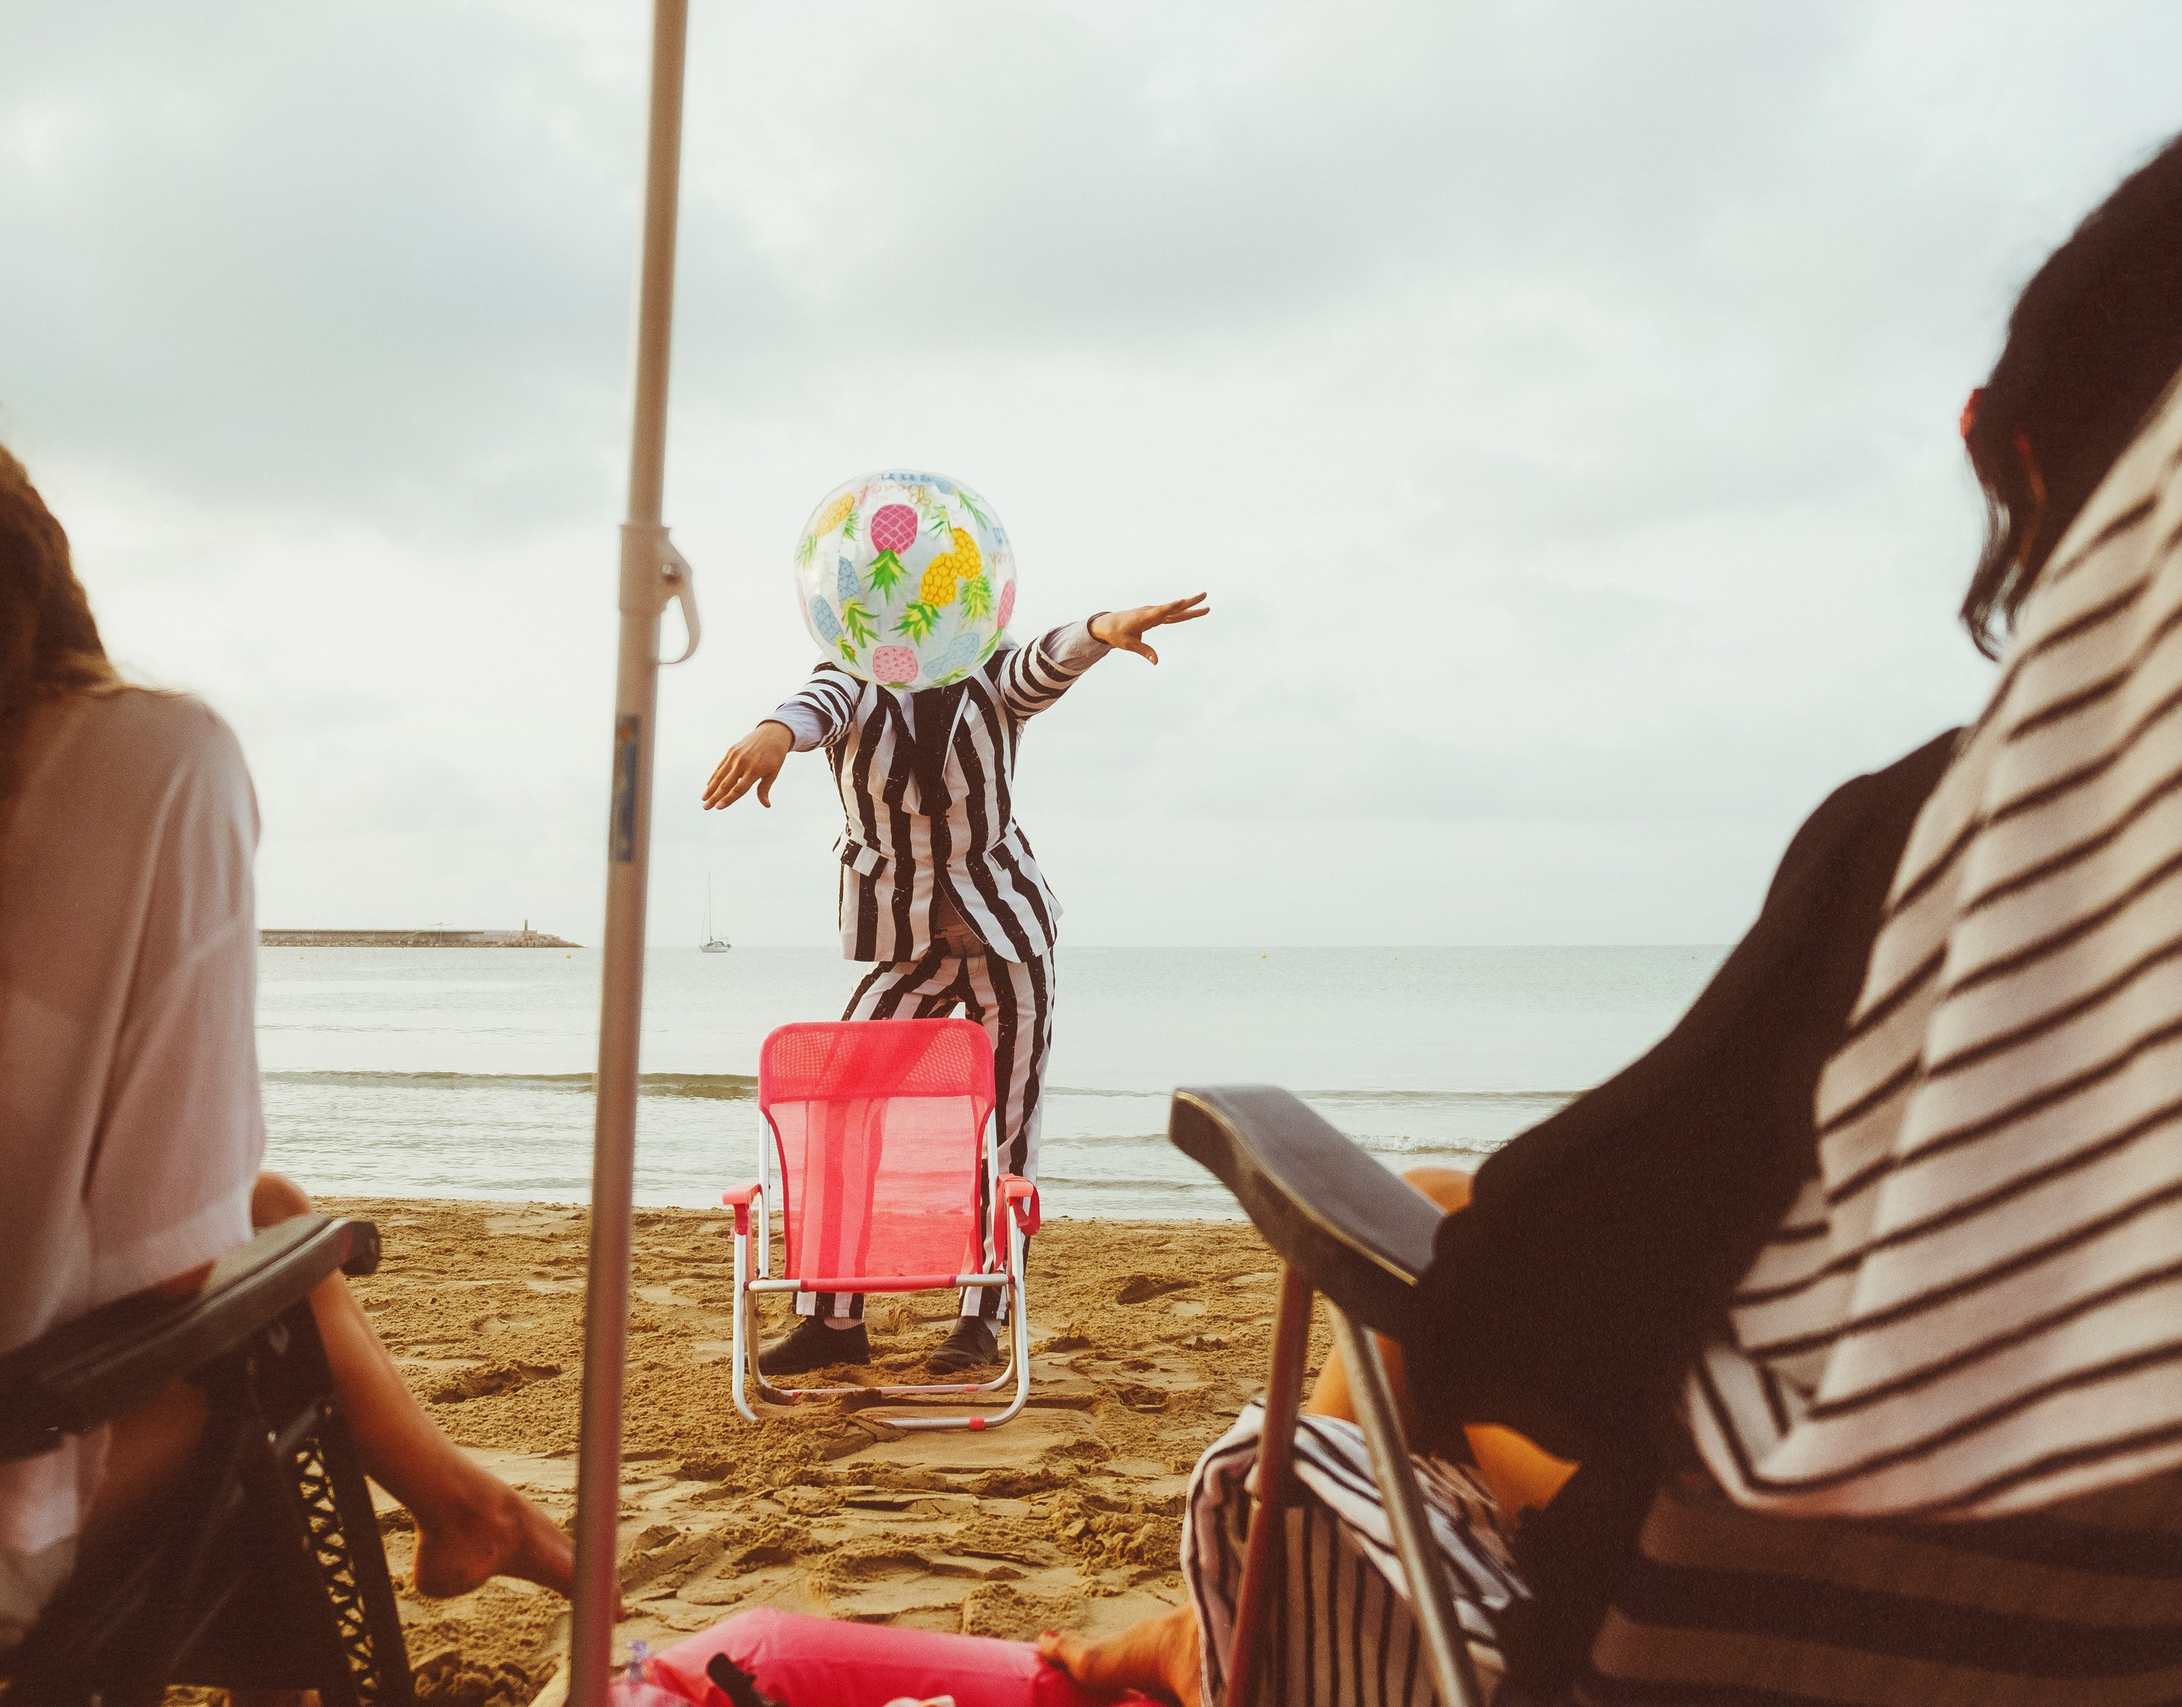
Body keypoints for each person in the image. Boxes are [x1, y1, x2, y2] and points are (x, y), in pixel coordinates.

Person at [1043, 128, 2182, 1706]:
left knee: (1407, 1291)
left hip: (1721, 1645)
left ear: (2033, 463)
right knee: (1469, 1218)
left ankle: (1212, 1637)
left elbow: (1544, 1315)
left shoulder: (1959, 842)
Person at [0, 351, 572, 1681]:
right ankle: (380, 1619)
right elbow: (173, 1271)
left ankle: (460, 1504)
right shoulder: (142, 764)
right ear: (6, 546)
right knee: (265, 1345)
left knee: (272, 1218)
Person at [703, 573, 1207, 1376]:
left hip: (1009, 937)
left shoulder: (989, 670)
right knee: (838, 1104)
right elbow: (816, 704)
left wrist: (1102, 629)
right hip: (908, 947)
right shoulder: (852, 677)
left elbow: (1041, 663)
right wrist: (772, 730)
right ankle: (833, 1318)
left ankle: (981, 1320)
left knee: (1007, 1130)